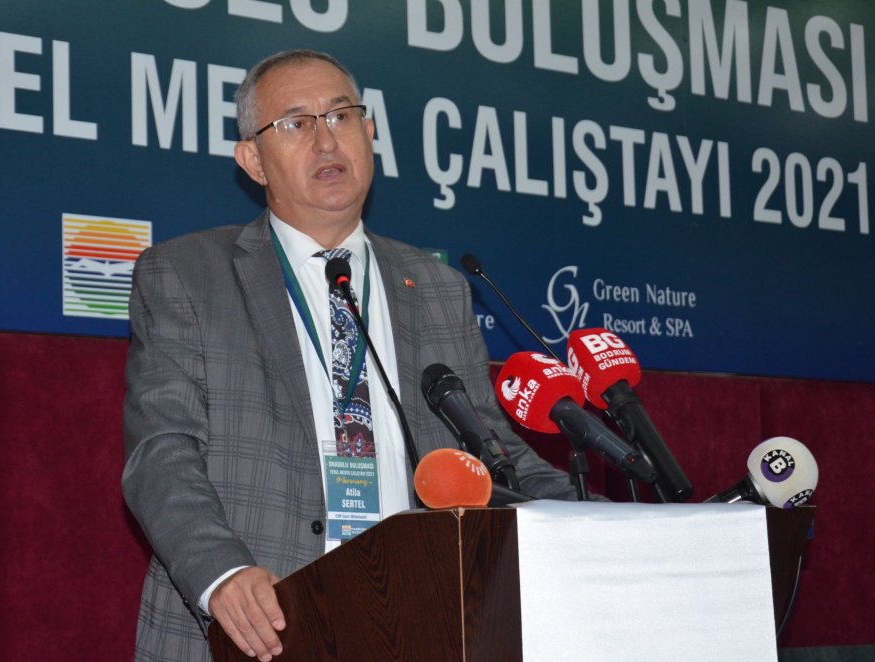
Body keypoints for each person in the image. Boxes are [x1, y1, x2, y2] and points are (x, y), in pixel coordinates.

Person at [122, 49, 583, 662]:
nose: (325, 140)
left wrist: (610, 521)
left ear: (368, 134)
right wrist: (222, 574)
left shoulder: (437, 287)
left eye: (341, 116)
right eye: (295, 123)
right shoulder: (187, 274)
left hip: (417, 620)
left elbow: (490, 455)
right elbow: (162, 452)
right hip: (262, 624)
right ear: (253, 160)